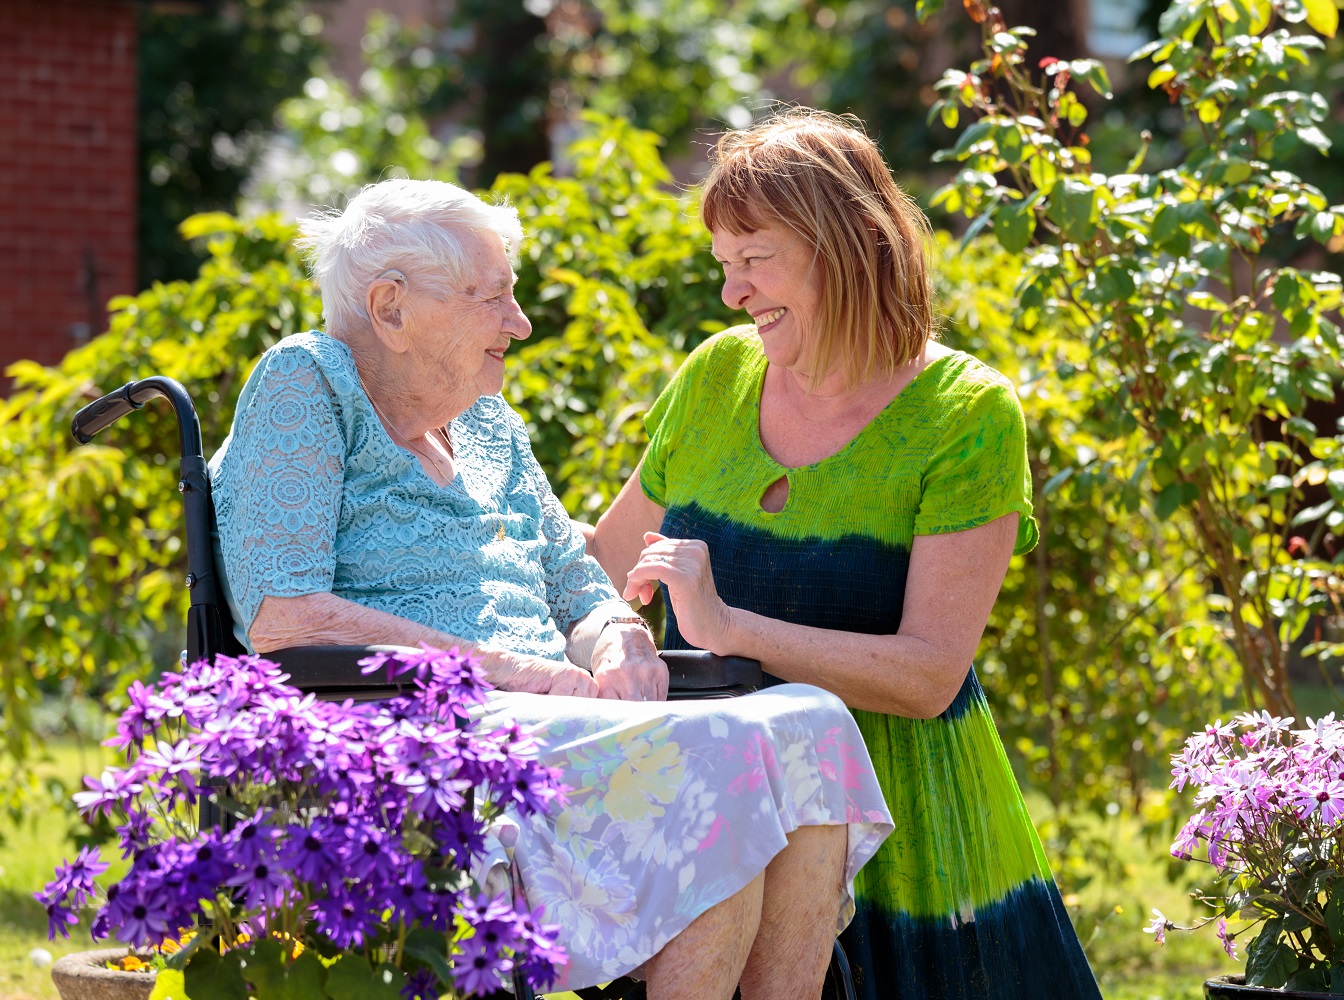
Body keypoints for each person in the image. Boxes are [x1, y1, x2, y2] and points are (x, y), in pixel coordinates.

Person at [206, 177, 892, 1000]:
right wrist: (505, 669)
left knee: (811, 719)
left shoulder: (491, 424)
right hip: (422, 739)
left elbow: (575, 578)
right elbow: (285, 616)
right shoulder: (309, 382)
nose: (520, 323)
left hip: (550, 723)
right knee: (717, 755)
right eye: (493, 298)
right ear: (390, 307)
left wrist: (618, 635)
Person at [587, 110, 1103, 1000]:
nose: (733, 294)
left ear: (848, 245)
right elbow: (598, 568)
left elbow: (929, 675)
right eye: (724, 266)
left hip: (906, 844)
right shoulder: (715, 376)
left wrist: (727, 626)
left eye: (756, 260)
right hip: (710, 822)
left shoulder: (966, 414)